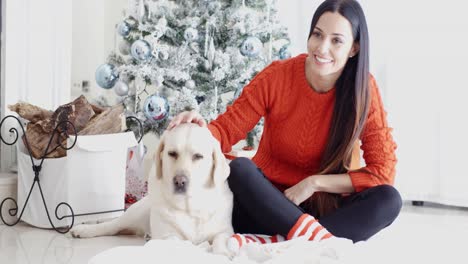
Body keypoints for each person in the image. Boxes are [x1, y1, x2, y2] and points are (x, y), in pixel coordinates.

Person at [167, 0, 402, 248]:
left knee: (389, 199)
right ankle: (314, 242)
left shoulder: (363, 89)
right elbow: (227, 129)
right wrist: (199, 130)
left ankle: (287, 241)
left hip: (325, 210)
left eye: (336, 41)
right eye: (317, 35)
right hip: (266, 206)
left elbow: (383, 171)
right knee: (240, 170)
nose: (322, 48)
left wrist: (313, 183)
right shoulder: (278, 76)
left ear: (354, 48)